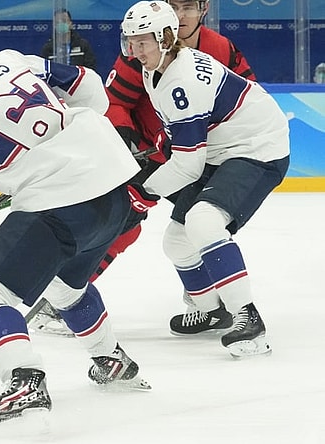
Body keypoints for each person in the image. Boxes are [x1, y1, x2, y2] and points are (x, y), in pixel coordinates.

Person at [0, 13, 150, 435]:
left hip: (61, 201)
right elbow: (91, 88)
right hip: (114, 188)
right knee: (65, 287)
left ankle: (24, 381)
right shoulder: (12, 58)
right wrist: (65, 143)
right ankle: (113, 361)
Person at [27, 0, 260, 336]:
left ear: (204, 9)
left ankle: (210, 304)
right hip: (149, 154)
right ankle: (72, 295)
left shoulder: (220, 50)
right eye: (174, 6)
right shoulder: (144, 46)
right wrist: (128, 140)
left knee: (199, 225)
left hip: (197, 156)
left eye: (188, 8)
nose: (180, 16)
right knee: (121, 220)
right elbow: (115, 101)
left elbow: (247, 101)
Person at [121, 1, 288, 357]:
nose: (134, 51)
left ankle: (249, 319)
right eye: (130, 42)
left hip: (257, 148)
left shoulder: (182, 80)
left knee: (203, 221)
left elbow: (187, 167)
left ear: (165, 39)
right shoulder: (159, 68)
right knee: (177, 242)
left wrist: (143, 191)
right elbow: (181, 136)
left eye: (142, 42)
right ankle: (212, 310)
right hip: (221, 149)